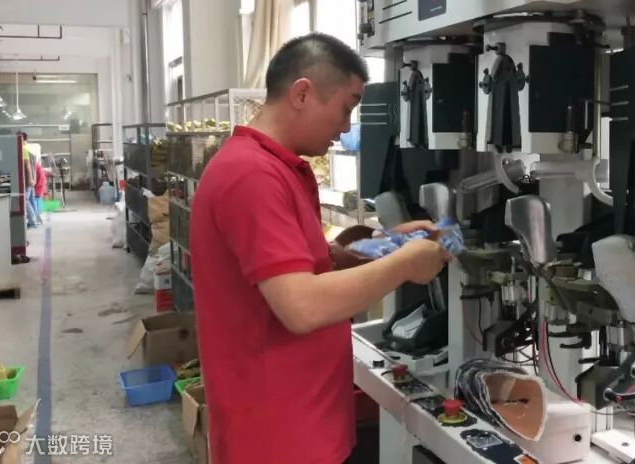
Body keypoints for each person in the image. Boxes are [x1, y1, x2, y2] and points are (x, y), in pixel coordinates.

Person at [189, 33, 453, 464]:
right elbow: (302, 306)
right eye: (346, 108)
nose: (347, 127)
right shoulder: (251, 175)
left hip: (306, 423)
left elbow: (309, 265)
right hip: (277, 440)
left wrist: (386, 246)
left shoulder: (281, 168)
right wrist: (406, 264)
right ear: (302, 93)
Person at [33, 157, 47, 225]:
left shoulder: (34, 165)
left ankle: (37, 217)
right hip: (39, 184)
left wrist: (34, 185)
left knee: (36, 200)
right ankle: (38, 217)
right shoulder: (36, 164)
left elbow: (35, 177)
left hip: (38, 185)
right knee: (38, 200)